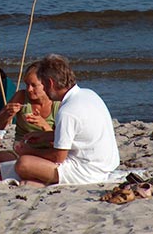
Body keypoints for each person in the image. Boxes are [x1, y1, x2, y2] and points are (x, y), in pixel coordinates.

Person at [14, 54, 120, 186]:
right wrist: (45, 136)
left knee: (23, 164)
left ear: (51, 83)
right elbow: (80, 133)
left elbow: (58, 157)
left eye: (44, 85)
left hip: (87, 172)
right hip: (107, 164)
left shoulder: (67, 111)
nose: (45, 91)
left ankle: (43, 181)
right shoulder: (88, 94)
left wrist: (29, 151)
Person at [0, 61, 60, 172]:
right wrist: (6, 114)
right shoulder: (21, 96)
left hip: (46, 153)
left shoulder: (57, 104)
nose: (29, 89)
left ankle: (23, 169)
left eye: (34, 85)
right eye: (27, 84)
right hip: (21, 152)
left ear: (46, 84)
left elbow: (60, 142)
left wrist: (44, 125)